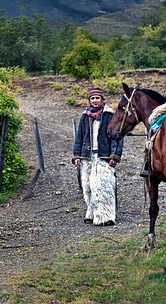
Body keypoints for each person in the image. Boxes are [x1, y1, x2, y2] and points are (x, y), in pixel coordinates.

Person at [72, 88, 123, 226]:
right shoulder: (85, 117)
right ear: (89, 100)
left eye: (97, 98)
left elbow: (117, 137)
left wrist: (115, 155)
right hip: (87, 157)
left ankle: (107, 216)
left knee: (103, 186)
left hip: (104, 156)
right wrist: (77, 155)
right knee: (88, 186)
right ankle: (92, 212)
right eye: (92, 98)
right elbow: (79, 137)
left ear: (102, 99)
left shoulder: (109, 115)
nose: (95, 101)